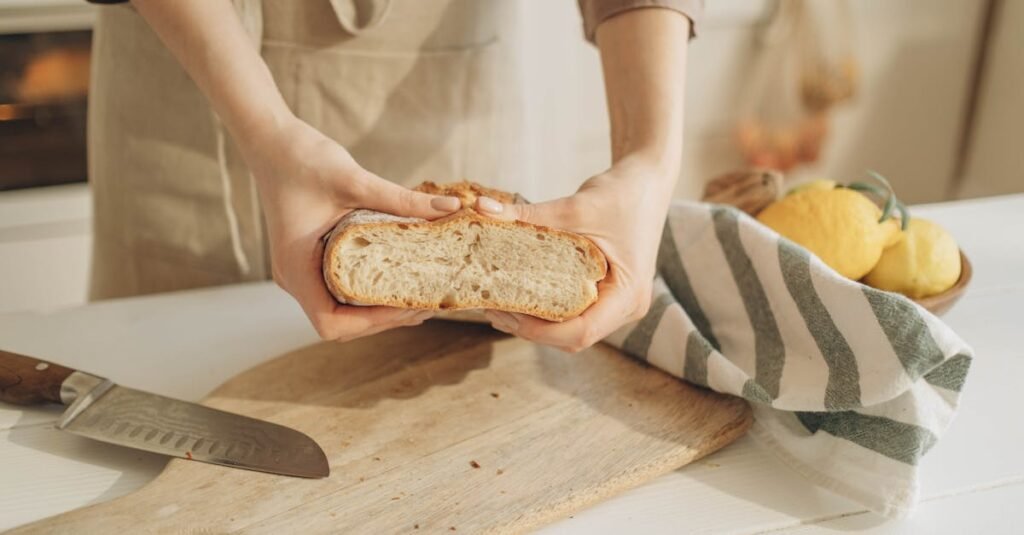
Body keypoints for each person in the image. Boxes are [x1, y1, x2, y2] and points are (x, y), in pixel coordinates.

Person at [86, 0, 701, 353]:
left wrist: (648, 158)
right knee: (169, 364)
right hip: (189, 66)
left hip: (437, 74)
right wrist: (265, 128)